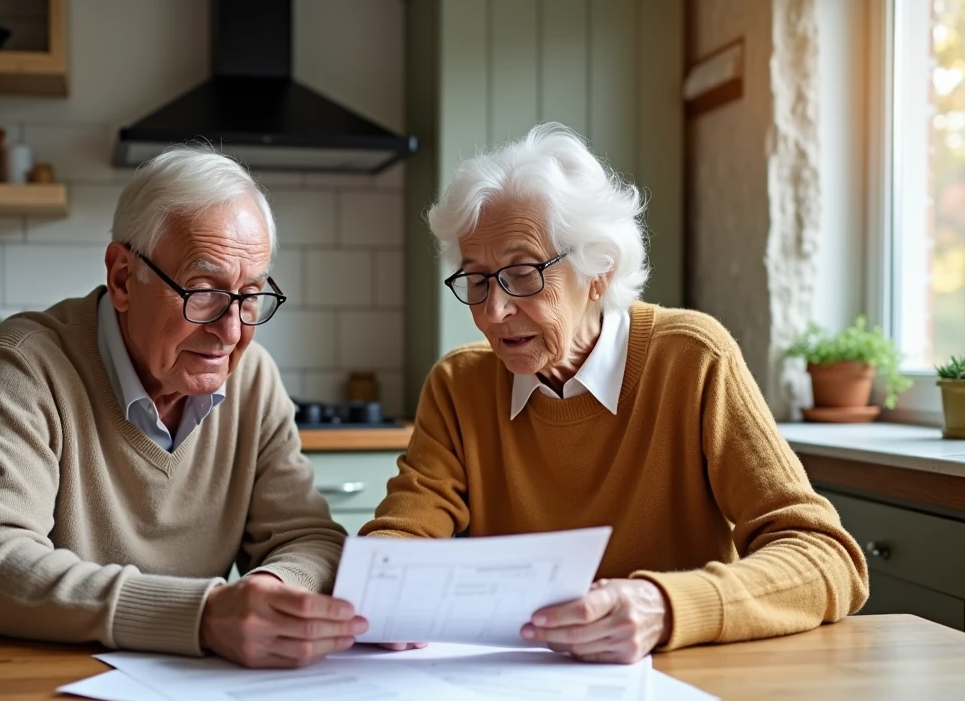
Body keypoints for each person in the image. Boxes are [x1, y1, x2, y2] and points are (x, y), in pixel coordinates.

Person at [361, 123, 869, 663]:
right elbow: (402, 538)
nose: (492, 311)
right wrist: (380, 591)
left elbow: (826, 557)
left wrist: (666, 607)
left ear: (598, 269)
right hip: (519, 687)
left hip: (688, 686)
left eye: (523, 273)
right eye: (477, 279)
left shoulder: (692, 358)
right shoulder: (459, 385)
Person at [0, 146, 365, 668]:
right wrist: (203, 615)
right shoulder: (25, 365)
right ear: (121, 278)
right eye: (203, 292)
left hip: (150, 678)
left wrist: (272, 591)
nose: (230, 332)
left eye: (250, 296)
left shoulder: (254, 378)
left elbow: (308, 537)